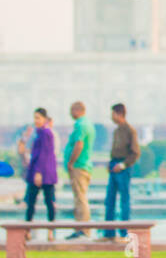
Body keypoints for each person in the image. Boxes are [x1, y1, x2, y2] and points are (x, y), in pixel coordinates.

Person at [102, 103, 140, 239]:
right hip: (114, 165)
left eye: (113, 114)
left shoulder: (130, 131)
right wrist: (110, 163)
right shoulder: (117, 130)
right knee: (110, 199)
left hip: (123, 167)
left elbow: (135, 153)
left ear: (119, 114)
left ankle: (124, 231)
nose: (111, 117)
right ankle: (109, 231)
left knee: (124, 199)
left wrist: (123, 165)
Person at [23, 108, 58, 237]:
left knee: (48, 201)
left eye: (38, 117)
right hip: (39, 171)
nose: (36, 120)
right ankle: (27, 229)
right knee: (31, 201)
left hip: (44, 173)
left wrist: (38, 172)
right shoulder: (39, 133)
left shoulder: (46, 133)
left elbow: (44, 154)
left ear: (44, 119)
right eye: (35, 117)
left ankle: (50, 230)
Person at [64, 100, 95, 238]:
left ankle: (83, 229)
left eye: (71, 110)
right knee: (80, 197)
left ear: (77, 110)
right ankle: (81, 228)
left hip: (79, 166)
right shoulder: (88, 124)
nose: (70, 114)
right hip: (84, 165)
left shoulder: (80, 125)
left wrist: (71, 162)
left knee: (80, 198)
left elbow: (79, 144)